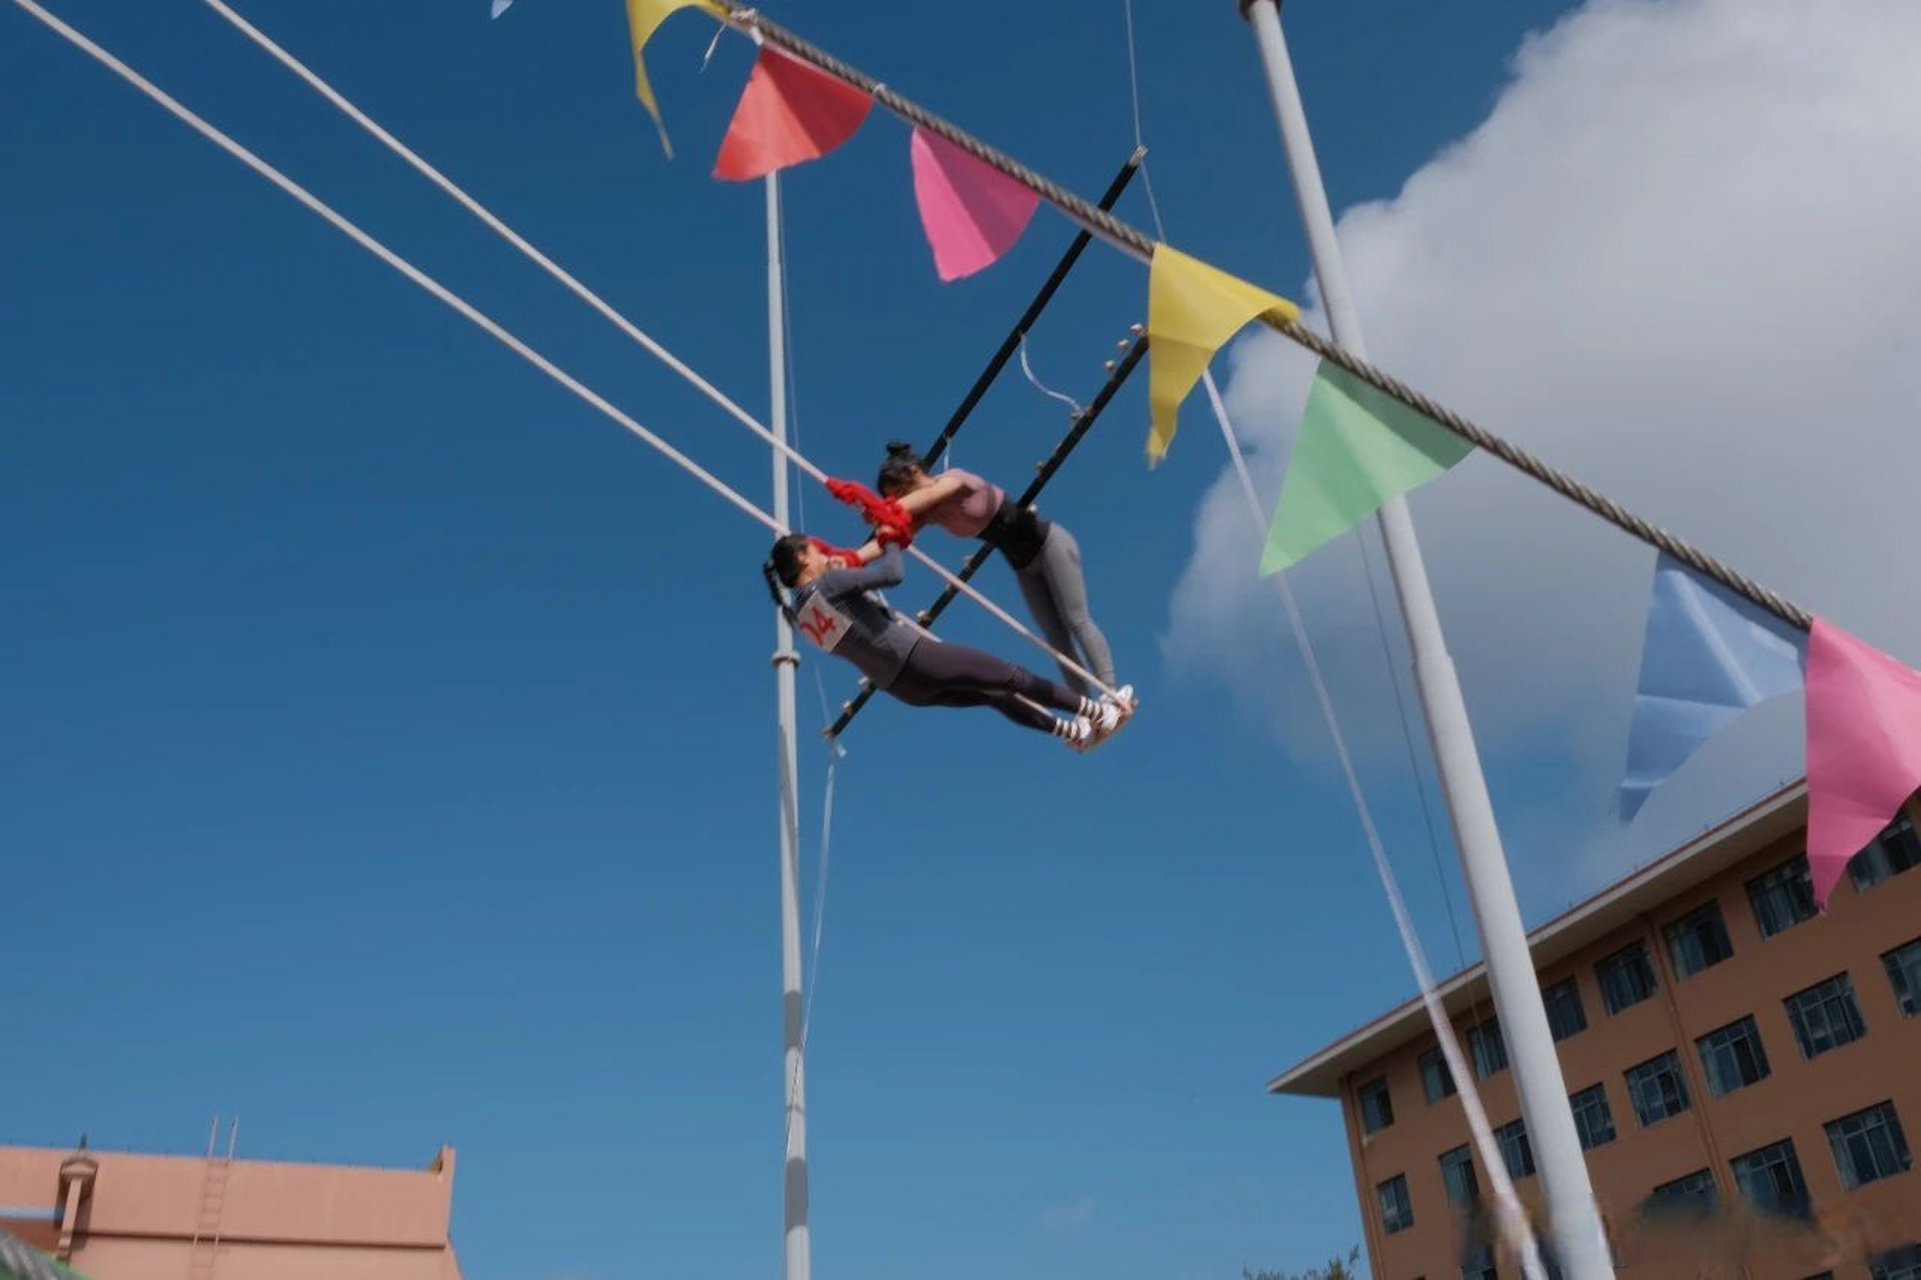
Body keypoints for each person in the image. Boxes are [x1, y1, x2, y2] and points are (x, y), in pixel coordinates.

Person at [763, 535, 1131, 750]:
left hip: (904, 688)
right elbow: (894, 575)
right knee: (1008, 676)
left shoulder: (797, 617)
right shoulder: (826, 585)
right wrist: (890, 539)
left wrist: (846, 575)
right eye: (812, 550)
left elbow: (856, 622)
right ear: (801, 558)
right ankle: (1097, 711)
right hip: (915, 657)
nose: (820, 552)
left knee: (994, 695)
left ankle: (1073, 733)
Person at [859, 442, 1119, 699]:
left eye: (902, 494)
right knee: (1055, 639)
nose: (904, 502)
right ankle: (1087, 707)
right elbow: (891, 541)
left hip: (1051, 544)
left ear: (915, 471)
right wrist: (850, 559)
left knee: (1076, 619)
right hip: (1024, 567)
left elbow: (926, 496)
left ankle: (1110, 689)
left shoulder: (953, 479)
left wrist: (884, 510)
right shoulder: (929, 514)